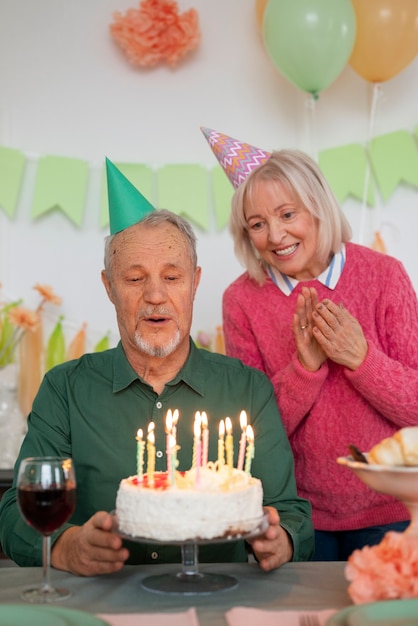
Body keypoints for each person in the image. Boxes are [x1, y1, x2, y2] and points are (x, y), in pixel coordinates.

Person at [0, 159, 314, 576]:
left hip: (219, 603)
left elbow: (292, 513)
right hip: (101, 607)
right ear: (109, 287)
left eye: (172, 277)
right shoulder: (65, 389)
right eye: (134, 279)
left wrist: (282, 540)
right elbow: (12, 514)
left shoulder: (247, 388)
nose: (154, 296)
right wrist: (68, 546)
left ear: (195, 282)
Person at [201, 127, 418, 561]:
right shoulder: (241, 300)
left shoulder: (384, 275)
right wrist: (305, 368)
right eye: (257, 224)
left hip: (390, 509)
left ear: (318, 207)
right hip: (295, 518)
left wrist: (361, 359)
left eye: (287, 214)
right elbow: (251, 435)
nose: (275, 236)